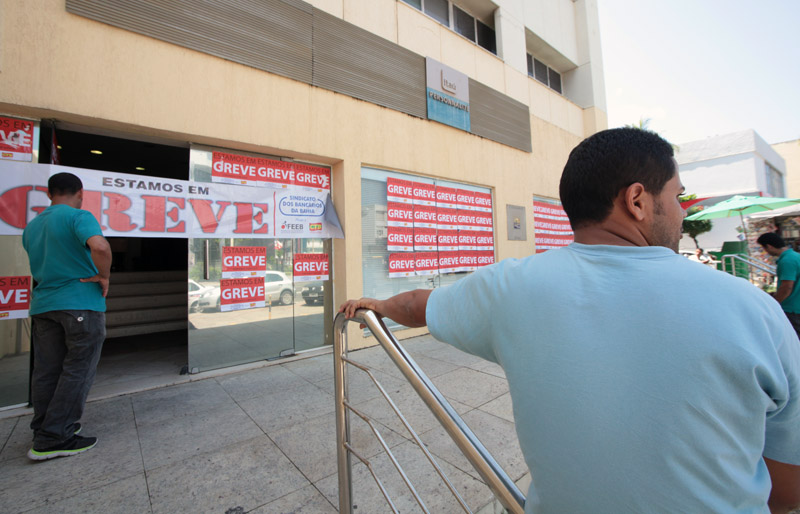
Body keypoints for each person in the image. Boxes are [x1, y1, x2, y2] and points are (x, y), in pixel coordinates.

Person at [340, 128, 800, 513]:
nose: (683, 213)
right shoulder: (752, 309)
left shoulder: (510, 287)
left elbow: (421, 304)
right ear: (637, 200)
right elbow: (787, 489)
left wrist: (378, 306)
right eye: (677, 197)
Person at [22, 172, 111, 461]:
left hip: (44, 305)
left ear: (49, 194)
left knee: (47, 370)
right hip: (79, 303)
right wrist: (103, 276)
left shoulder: (33, 226)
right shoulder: (78, 216)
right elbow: (100, 246)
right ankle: (55, 436)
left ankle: (44, 428)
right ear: (80, 192)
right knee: (78, 369)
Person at [757, 232, 800, 336]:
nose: (766, 252)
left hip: (791, 308)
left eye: (764, 248)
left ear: (769, 246)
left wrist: (774, 302)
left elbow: (787, 287)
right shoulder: (796, 256)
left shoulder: (787, 261)